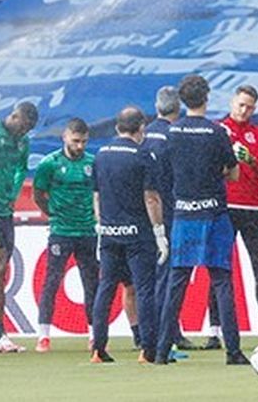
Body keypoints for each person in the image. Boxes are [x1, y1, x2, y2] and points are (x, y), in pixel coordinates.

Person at [154, 74, 250, 366]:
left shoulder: (172, 133)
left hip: (184, 214)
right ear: (206, 98)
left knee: (177, 282)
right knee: (221, 281)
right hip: (214, 214)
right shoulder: (217, 132)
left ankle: (160, 351)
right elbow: (233, 173)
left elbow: (165, 176)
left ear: (183, 101)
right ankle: (233, 351)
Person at [89, 106, 165, 364]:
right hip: (137, 233)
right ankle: (147, 350)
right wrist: (159, 231)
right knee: (144, 289)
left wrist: (104, 224)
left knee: (106, 287)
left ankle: (98, 348)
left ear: (117, 127)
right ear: (141, 128)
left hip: (109, 233)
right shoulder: (143, 155)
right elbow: (151, 198)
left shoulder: (100, 155)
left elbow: (96, 196)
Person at [0, 101, 38, 352]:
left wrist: (12, 194)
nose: (24, 132)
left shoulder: (23, 142)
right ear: (13, 116)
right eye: (23, 126)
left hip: (4, 212)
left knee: (0, 268)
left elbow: (21, 168)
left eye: (29, 129)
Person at [217, 84, 258, 345]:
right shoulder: (219, 130)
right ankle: (214, 331)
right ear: (232, 103)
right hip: (225, 206)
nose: (244, 110)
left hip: (253, 208)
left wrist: (250, 159)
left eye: (250, 107)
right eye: (241, 104)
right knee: (219, 267)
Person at [33, 118, 98, 352]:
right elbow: (39, 194)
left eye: (84, 141)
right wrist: (53, 214)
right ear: (65, 137)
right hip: (61, 231)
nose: (80, 146)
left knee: (91, 283)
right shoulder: (49, 163)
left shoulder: (92, 162)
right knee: (52, 281)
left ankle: (94, 334)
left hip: (87, 230)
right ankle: (43, 335)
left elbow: (98, 194)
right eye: (76, 141)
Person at [144, 84, 198, 355]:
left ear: (156, 107)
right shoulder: (175, 136)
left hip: (144, 215)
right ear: (179, 108)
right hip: (171, 214)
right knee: (168, 277)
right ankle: (163, 336)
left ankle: (161, 333)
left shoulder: (143, 135)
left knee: (151, 277)